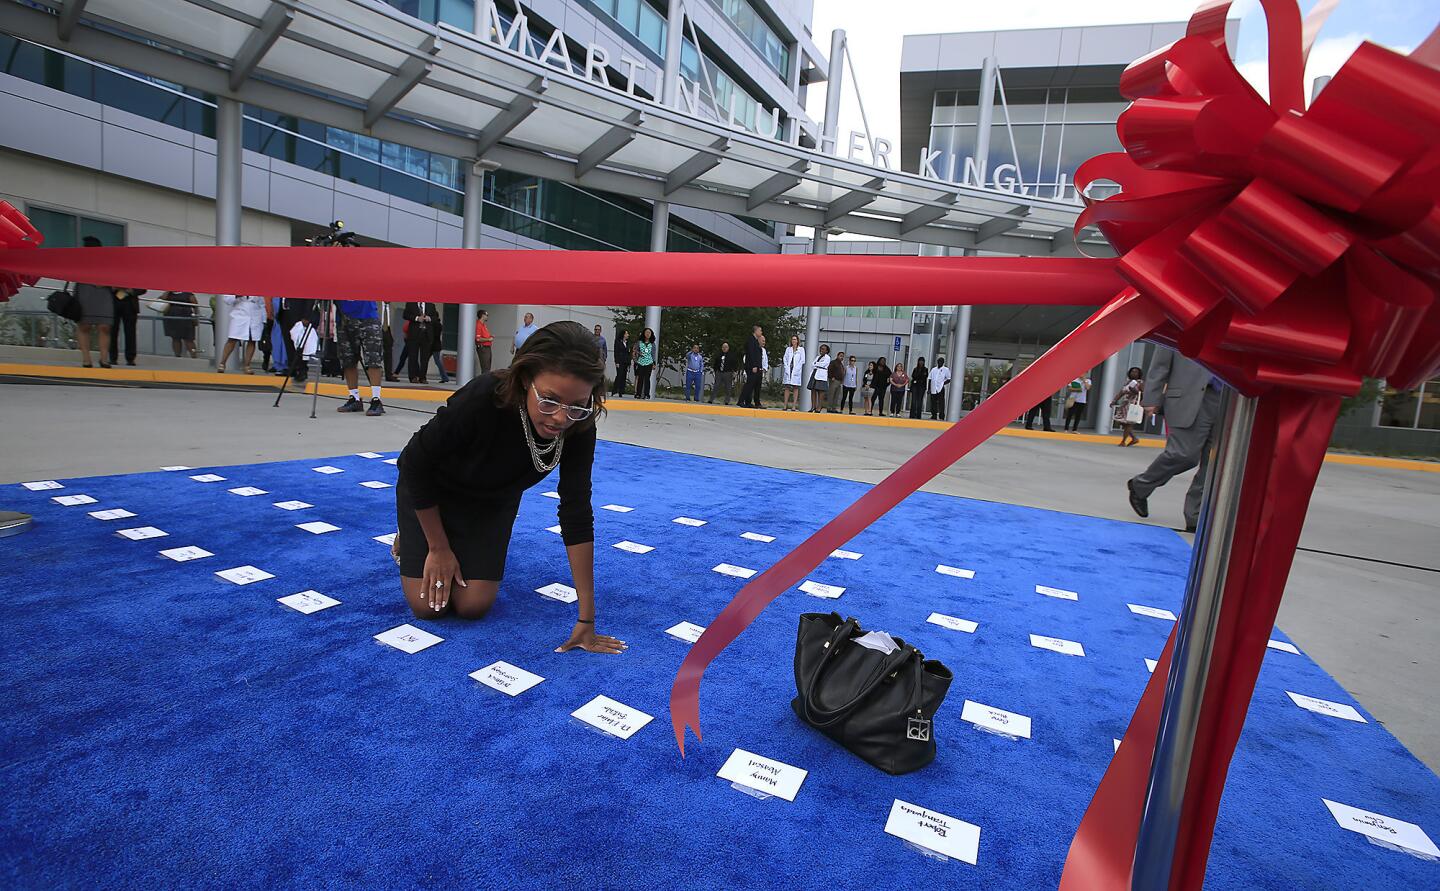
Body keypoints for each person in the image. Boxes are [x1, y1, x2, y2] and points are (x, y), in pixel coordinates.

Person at [394, 320, 625, 656]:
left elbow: (576, 509)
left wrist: (586, 619)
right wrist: (438, 548)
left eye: (576, 405)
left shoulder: (579, 422)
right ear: (524, 379)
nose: (561, 417)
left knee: (473, 606)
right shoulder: (485, 396)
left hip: (493, 501)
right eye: (549, 400)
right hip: (433, 491)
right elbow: (414, 463)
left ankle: (446, 543)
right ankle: (411, 530)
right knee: (429, 609)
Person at [1127, 350, 1223, 532]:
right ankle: (1141, 485)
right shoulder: (1183, 324)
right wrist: (1152, 398)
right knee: (1183, 454)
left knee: (1215, 463)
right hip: (1188, 398)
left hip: (1228, 398)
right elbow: (1160, 365)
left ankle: (1195, 516)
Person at [333, 278, 387, 416]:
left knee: (373, 359)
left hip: (367, 317)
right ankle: (354, 398)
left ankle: (376, 399)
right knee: (347, 359)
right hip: (344, 318)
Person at [73, 237, 115, 368]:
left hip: (103, 293)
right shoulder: (78, 260)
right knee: (85, 325)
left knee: (105, 326)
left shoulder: (108, 261)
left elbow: (115, 275)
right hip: (85, 291)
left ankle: (104, 359)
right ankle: (86, 359)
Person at [218, 295, 266, 374]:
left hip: (255, 316)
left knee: (252, 340)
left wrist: (264, 320)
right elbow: (227, 300)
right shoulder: (236, 286)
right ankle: (222, 363)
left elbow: (262, 305)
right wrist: (237, 295)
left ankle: (247, 365)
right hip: (239, 316)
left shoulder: (257, 287)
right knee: (232, 339)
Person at [108, 282, 145, 367]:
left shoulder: (136, 273)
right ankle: (112, 358)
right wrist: (113, 287)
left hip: (130, 304)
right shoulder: (112, 272)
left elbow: (143, 288)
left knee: (130, 333)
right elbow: (104, 286)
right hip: (113, 303)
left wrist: (131, 290)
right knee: (112, 332)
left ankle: (130, 358)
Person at [403, 301, 439, 384]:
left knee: (425, 358)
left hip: (426, 334)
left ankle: (422, 377)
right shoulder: (411, 304)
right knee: (413, 356)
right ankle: (413, 377)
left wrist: (429, 318)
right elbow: (405, 315)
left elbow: (436, 317)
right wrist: (416, 318)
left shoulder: (431, 305)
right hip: (414, 334)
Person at [1111, 366, 1146, 447]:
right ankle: (1134, 438)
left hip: (1133, 404)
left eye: (1136, 372)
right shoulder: (1127, 382)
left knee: (1129, 423)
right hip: (1125, 404)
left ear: (1139, 374)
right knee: (1121, 421)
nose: (1133, 373)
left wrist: (1135, 391)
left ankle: (1123, 441)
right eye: (1132, 371)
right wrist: (1114, 400)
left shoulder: (1140, 382)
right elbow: (1121, 392)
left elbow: (1143, 393)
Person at [161, 291, 198, 358]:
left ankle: (194, 356)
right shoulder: (169, 294)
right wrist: (168, 291)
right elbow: (162, 299)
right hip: (172, 318)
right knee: (175, 338)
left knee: (188, 339)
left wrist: (195, 317)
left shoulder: (188, 294)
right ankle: (177, 355)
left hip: (186, 318)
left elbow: (195, 305)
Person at [737, 325, 764, 409]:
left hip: (756, 367)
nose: (761, 332)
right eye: (760, 330)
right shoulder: (751, 340)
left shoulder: (755, 341)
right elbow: (751, 354)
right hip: (751, 367)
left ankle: (748, 402)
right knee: (749, 385)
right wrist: (754, 366)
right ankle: (741, 401)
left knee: (752, 385)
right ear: (755, 331)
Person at [781, 335, 805, 411]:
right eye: (792, 339)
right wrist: (786, 367)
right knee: (787, 387)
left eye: (795, 339)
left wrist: (797, 368)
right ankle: (785, 405)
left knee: (795, 387)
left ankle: (794, 405)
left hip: (796, 370)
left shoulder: (801, 349)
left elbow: (802, 360)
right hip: (789, 369)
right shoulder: (788, 349)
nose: (793, 341)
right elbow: (785, 358)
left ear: (797, 341)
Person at [808, 344, 832, 412]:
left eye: (823, 349)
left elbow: (823, 364)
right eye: (821, 348)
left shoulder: (827, 357)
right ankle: (813, 406)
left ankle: (819, 407)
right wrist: (817, 363)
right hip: (815, 374)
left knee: (820, 391)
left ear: (827, 351)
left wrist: (816, 363)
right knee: (813, 390)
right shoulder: (818, 357)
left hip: (821, 375)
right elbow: (812, 364)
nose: (821, 350)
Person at [633, 327, 656, 399]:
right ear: (644, 333)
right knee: (640, 378)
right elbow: (634, 350)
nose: (648, 334)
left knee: (647, 379)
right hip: (640, 362)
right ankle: (638, 393)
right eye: (646, 332)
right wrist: (639, 354)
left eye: (649, 333)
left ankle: (647, 394)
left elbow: (653, 354)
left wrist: (654, 363)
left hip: (649, 362)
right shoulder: (639, 342)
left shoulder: (652, 344)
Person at [474, 309, 494, 375]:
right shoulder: (478, 325)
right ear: (482, 315)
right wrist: (488, 339)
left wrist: (490, 336)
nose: (487, 317)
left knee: (488, 366)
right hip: (483, 348)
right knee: (485, 367)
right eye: (486, 315)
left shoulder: (483, 325)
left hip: (487, 347)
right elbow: (478, 339)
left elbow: (485, 335)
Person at [613, 329, 631, 397]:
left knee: (624, 376)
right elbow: (616, 352)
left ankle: (621, 391)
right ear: (623, 334)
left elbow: (629, 352)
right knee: (619, 375)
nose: (628, 335)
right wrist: (616, 361)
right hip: (620, 361)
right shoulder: (618, 342)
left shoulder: (627, 342)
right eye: (626, 334)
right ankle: (615, 389)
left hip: (625, 361)